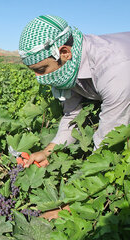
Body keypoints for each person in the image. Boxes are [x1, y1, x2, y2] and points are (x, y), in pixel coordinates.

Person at [17, 15, 130, 167]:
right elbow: (72, 116)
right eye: (34, 72)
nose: (39, 78)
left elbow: (110, 134)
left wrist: (90, 174)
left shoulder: (114, 68)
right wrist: (48, 152)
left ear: (64, 52)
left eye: (42, 70)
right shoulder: (67, 67)